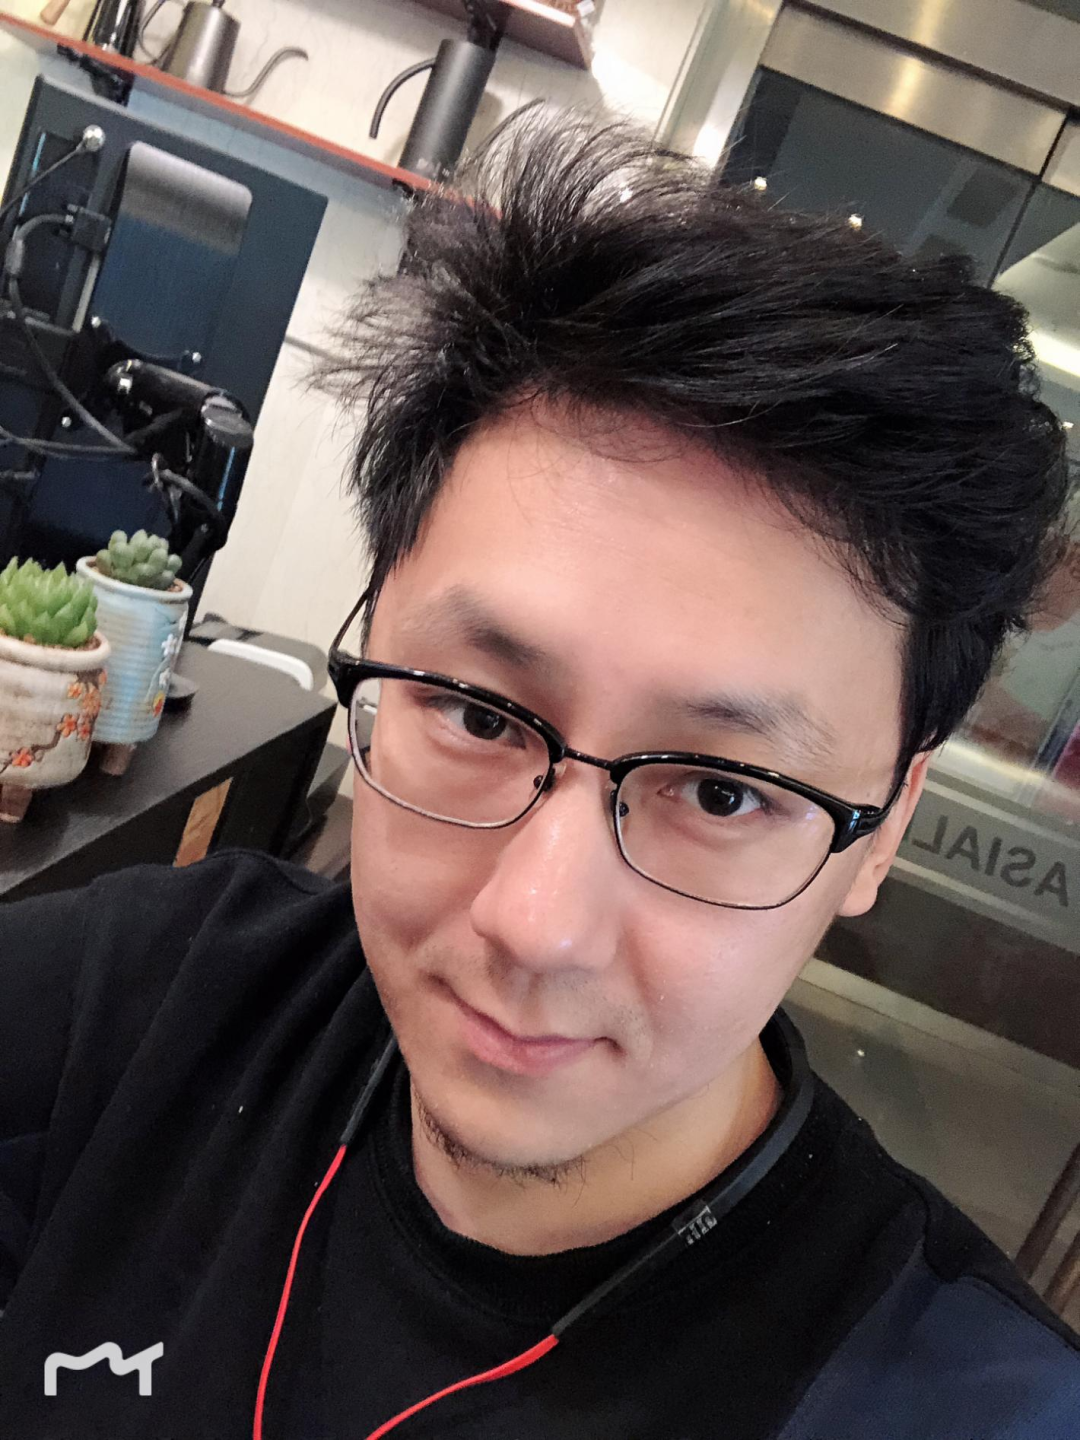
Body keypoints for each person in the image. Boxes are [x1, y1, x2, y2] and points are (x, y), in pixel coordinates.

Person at [1, 115, 1078, 1440]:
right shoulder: (141, 1006)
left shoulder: (969, 1406)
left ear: (882, 833)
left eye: (724, 791)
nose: (534, 923)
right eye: (478, 713)